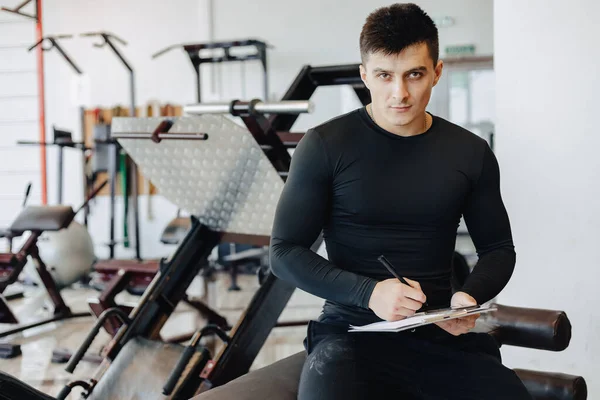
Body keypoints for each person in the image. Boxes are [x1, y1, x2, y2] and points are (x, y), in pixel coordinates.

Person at [269, 3, 533, 399]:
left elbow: (498, 249)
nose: (400, 93)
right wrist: (369, 293)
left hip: (442, 333)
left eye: (414, 74)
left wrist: (469, 296)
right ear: (364, 75)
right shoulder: (324, 146)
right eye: (384, 75)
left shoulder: (469, 153)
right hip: (351, 334)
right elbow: (284, 252)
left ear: (437, 72)